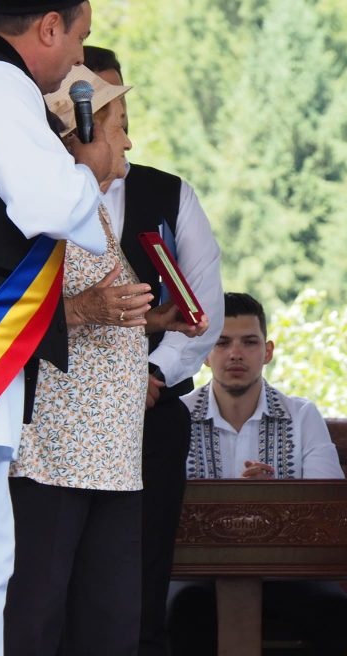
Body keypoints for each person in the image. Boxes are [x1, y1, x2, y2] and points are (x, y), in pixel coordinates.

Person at [0, 0, 113, 655]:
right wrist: (88, 169)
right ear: (50, 26)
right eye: (79, 37)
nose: (78, 58)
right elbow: (49, 203)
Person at [4, 65, 155, 656]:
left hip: (111, 457)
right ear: (80, 137)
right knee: (36, 617)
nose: (128, 142)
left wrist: (152, 317)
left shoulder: (92, 208)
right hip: (55, 456)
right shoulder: (41, 208)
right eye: (118, 127)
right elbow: (5, 316)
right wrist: (87, 307)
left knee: (109, 622)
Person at [82, 45, 225, 656]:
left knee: (142, 567)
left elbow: (204, 312)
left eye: (120, 109)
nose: (120, 126)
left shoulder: (171, 194)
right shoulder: (37, 195)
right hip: (59, 412)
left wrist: (152, 374)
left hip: (151, 412)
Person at [168, 292, 347, 655]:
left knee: (341, 617)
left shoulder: (301, 416)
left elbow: (327, 508)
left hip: (288, 576)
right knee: (183, 613)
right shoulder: (177, 417)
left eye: (249, 342)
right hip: (195, 576)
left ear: (267, 352)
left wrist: (277, 499)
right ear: (205, 352)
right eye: (222, 342)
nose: (235, 354)